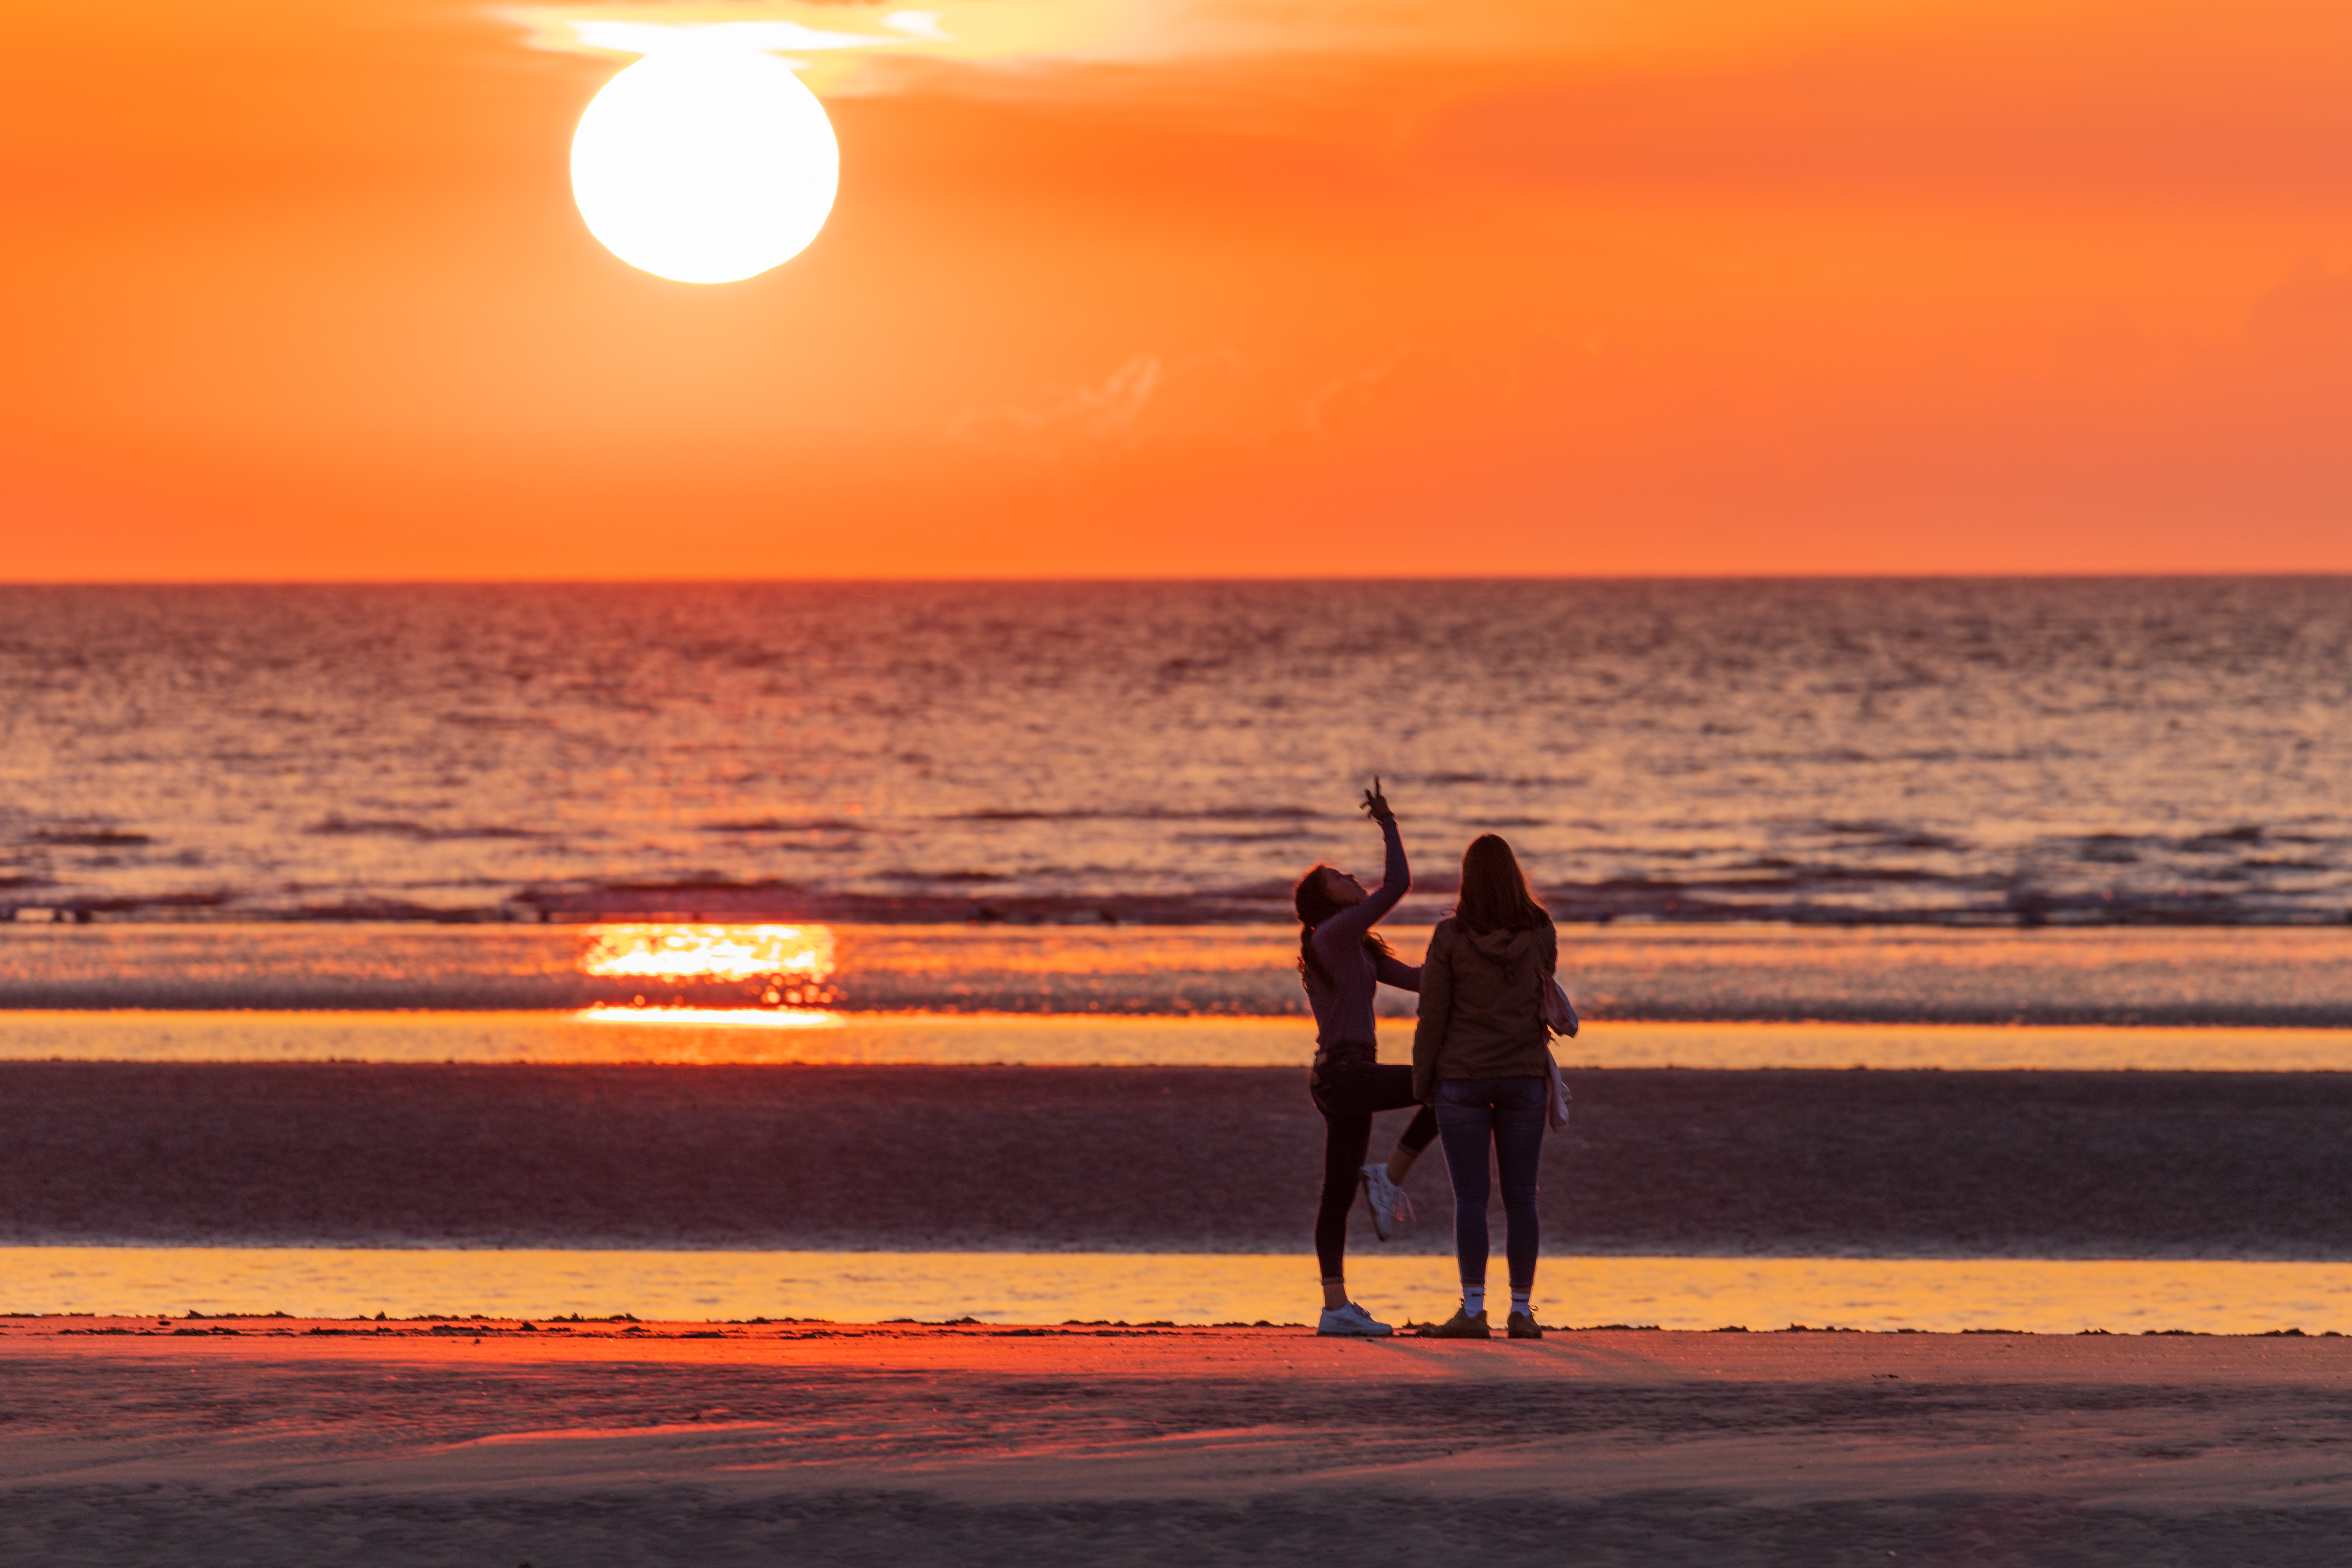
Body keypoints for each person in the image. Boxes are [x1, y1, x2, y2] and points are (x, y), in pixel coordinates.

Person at [1297, 778, 1437, 1337]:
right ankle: (1389, 1174)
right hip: (1343, 1074)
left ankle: (1335, 1307)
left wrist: (1473, 961)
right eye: (1339, 877)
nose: (1351, 877)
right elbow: (1398, 882)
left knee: (1335, 1194)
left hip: (1344, 1077)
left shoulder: (1357, 948)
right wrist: (1387, 821)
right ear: (1325, 899)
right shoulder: (1329, 937)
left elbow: (1424, 980)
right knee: (1447, 1081)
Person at [1412, 834, 1559, 1341]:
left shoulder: (1450, 936)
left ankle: (1473, 1309)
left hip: (1462, 1077)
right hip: (1522, 1074)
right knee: (1522, 1198)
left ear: (1466, 879)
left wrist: (1422, 1077)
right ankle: (1521, 1311)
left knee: (1470, 1196)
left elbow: (1432, 1014)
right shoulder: (1541, 930)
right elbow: (1542, 991)